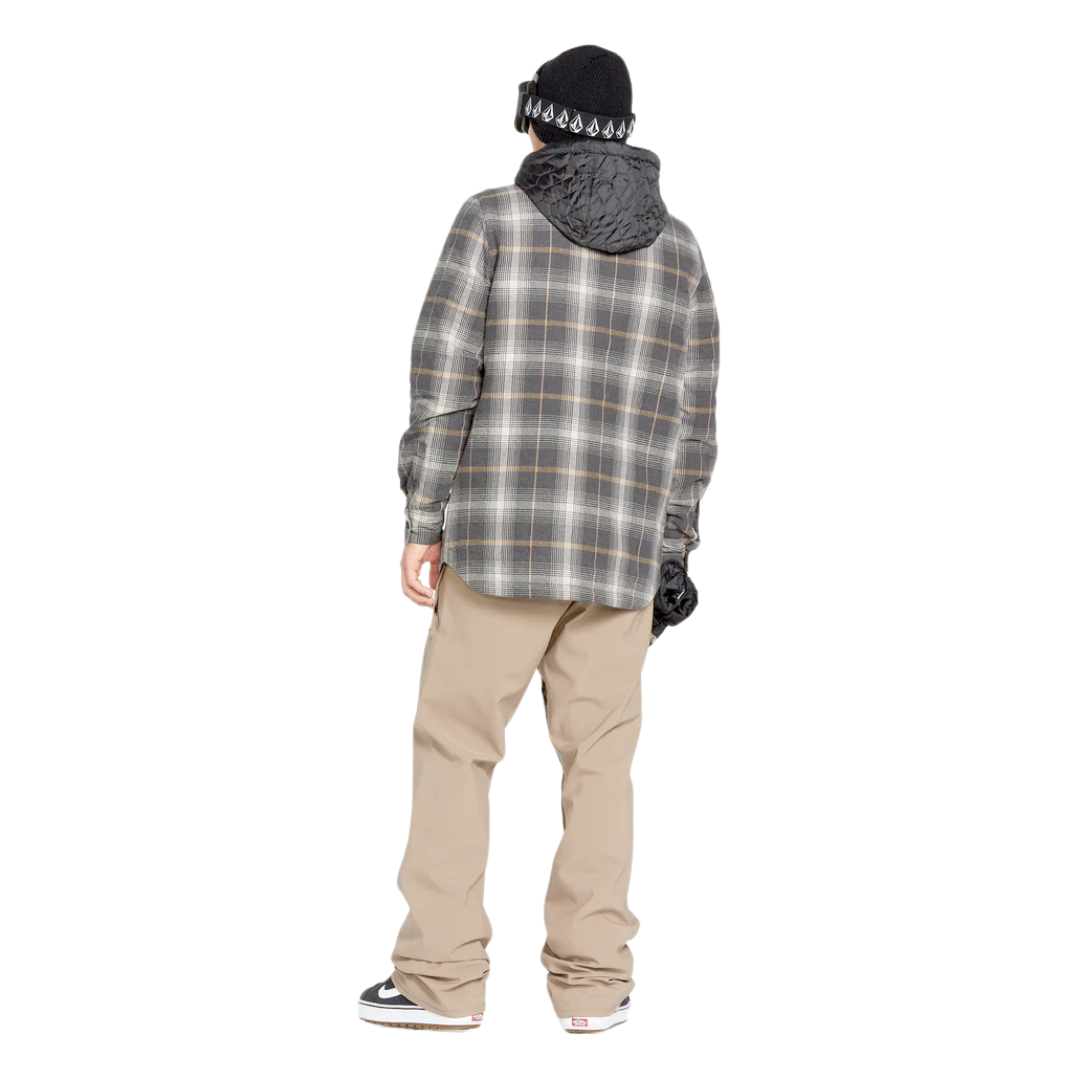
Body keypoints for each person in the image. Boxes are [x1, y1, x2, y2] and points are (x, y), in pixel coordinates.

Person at [358, 44, 719, 1034]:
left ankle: (439, 983)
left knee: (455, 750)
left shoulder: (493, 221)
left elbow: (444, 382)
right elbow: (694, 425)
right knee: (600, 767)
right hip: (619, 559)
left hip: (501, 545)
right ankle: (594, 989)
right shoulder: (680, 251)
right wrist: (671, 553)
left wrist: (422, 519)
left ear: (537, 123)